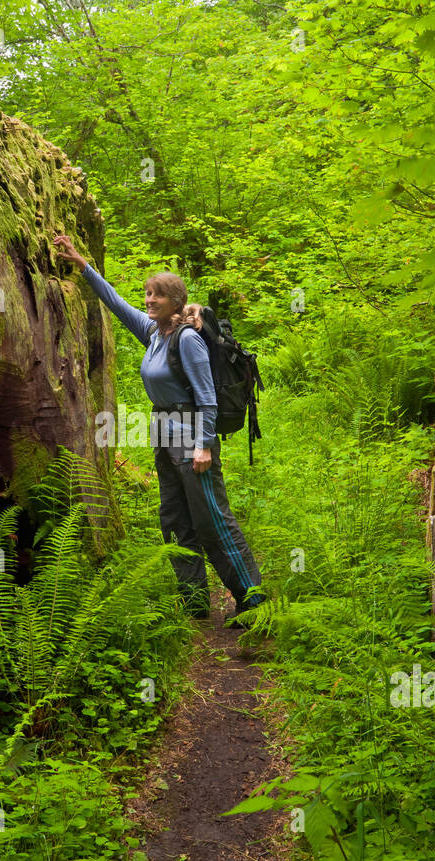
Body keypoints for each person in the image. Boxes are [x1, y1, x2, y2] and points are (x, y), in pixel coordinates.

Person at [52, 233, 265, 624]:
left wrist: (203, 445)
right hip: (164, 431)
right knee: (175, 519)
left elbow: (206, 397)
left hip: (190, 431)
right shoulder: (153, 332)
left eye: (158, 295)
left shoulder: (186, 340)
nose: (149, 300)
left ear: (177, 302)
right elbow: (115, 302)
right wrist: (82, 264)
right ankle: (195, 602)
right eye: (148, 294)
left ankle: (253, 601)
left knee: (212, 519)